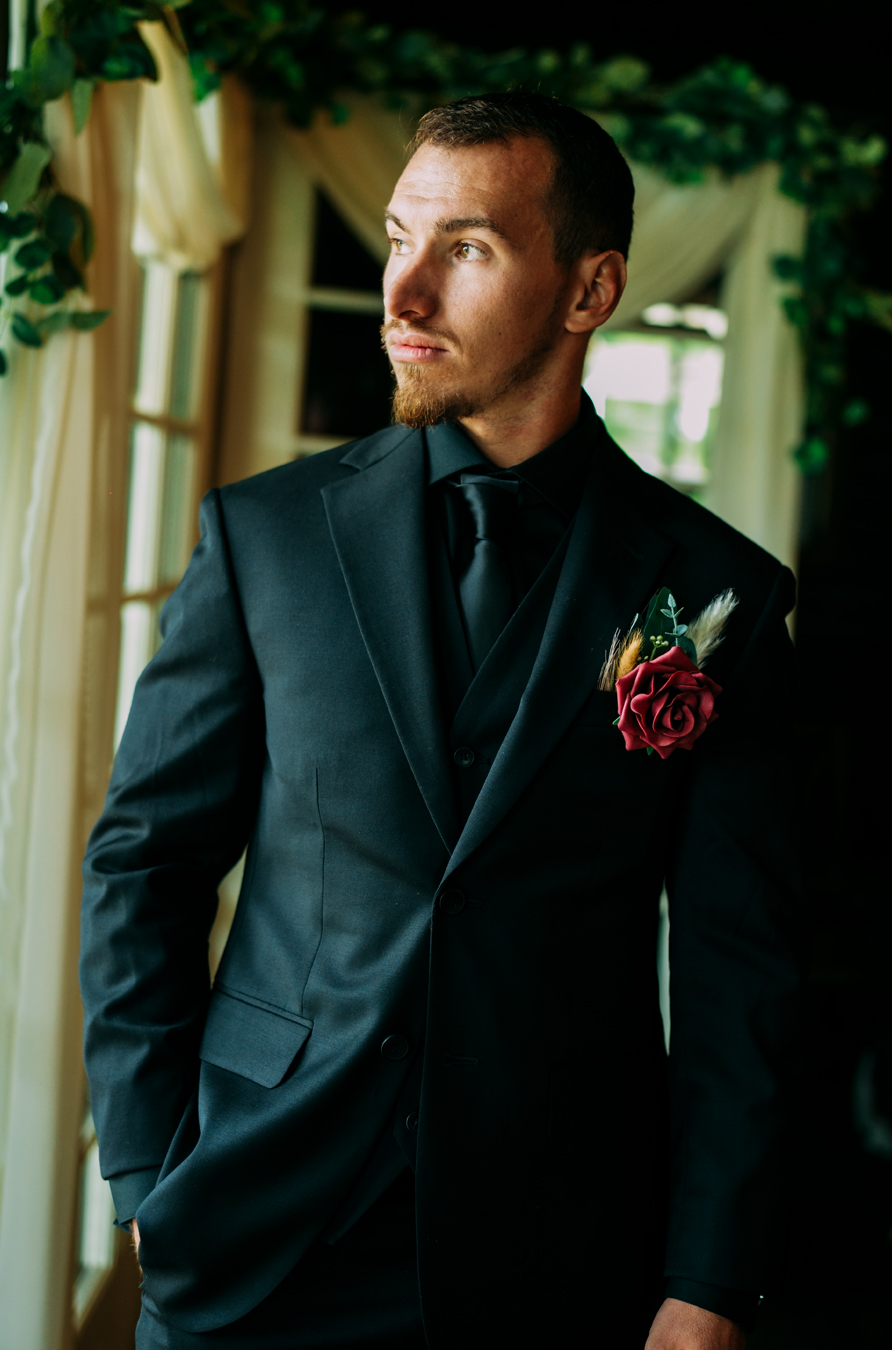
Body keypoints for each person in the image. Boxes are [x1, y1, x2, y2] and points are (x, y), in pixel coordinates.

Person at [80, 92, 803, 1349]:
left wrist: (709, 1277)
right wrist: (147, 1169)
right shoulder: (264, 538)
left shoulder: (711, 593)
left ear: (590, 291)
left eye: (465, 249)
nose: (401, 294)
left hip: (563, 1250)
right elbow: (145, 863)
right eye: (398, 235)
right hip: (254, 1228)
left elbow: (744, 970)